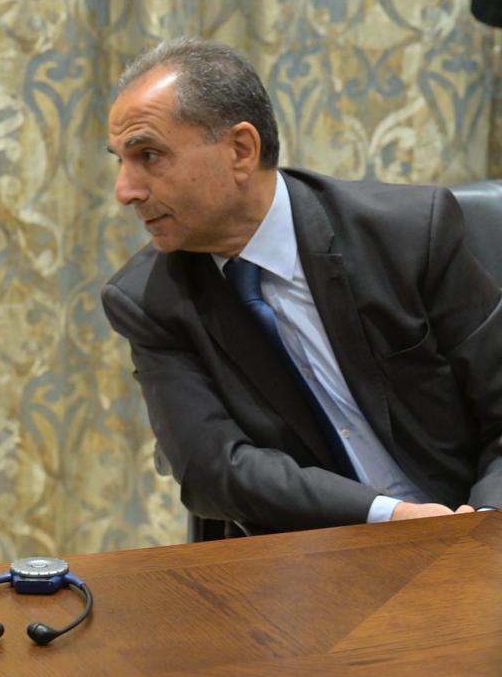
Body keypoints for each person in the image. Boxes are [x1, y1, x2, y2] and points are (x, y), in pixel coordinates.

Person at [100, 38, 501, 535]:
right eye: (120, 160)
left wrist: (483, 526)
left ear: (240, 150)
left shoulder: (407, 235)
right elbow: (212, 468)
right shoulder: (149, 300)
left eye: (149, 155)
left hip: (471, 525)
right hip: (315, 554)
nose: (125, 190)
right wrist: (392, 517)